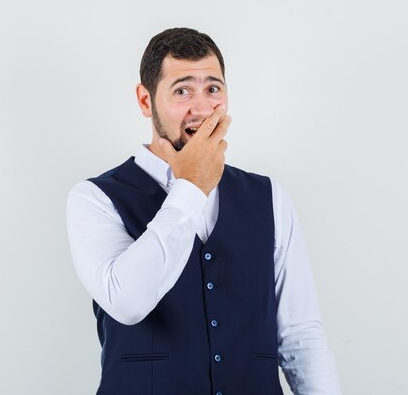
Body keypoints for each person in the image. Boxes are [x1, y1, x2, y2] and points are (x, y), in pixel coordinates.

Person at [66, 27, 341, 395]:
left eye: (213, 88)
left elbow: (300, 334)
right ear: (146, 101)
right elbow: (127, 301)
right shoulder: (94, 198)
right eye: (182, 90)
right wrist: (192, 186)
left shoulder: (270, 197)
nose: (202, 108)